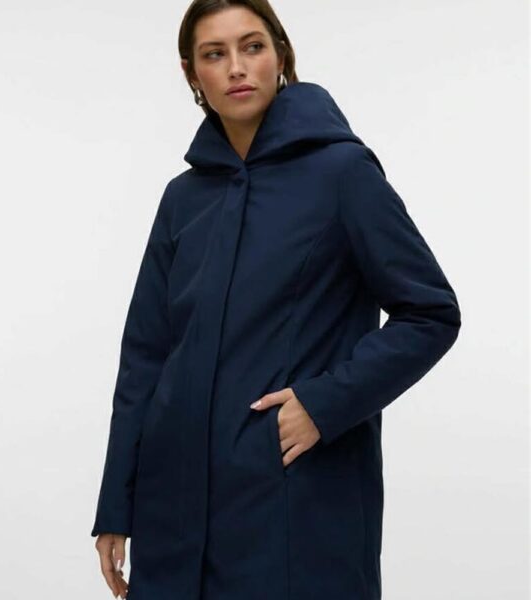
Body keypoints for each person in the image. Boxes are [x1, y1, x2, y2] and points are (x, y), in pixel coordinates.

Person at [91, 1, 462, 599]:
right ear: (192, 74)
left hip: (296, 506)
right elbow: (145, 356)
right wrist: (118, 501)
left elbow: (431, 313)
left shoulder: (343, 173)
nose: (236, 67)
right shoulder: (182, 199)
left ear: (281, 56)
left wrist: (324, 402)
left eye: (253, 46)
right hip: (172, 511)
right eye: (215, 54)